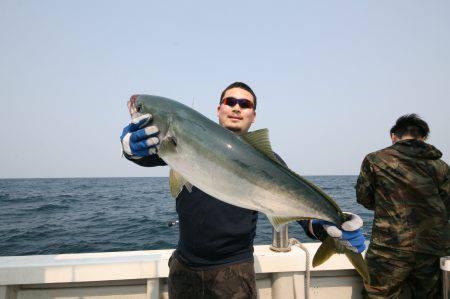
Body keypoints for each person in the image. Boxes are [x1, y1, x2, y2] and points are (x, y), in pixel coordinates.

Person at [121, 82, 366, 299]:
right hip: (184, 268)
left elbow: (299, 211)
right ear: (219, 110)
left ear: (253, 115)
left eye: (245, 104)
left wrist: (329, 228)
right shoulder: (179, 144)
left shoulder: (270, 163)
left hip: (234, 272)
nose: (237, 108)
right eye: (230, 102)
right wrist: (130, 149)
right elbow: (145, 155)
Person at [356, 114, 449, 298]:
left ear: (393, 136)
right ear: (423, 138)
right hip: (433, 248)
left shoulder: (375, 160)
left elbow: (364, 198)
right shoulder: (441, 166)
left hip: (389, 248)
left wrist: (388, 205)